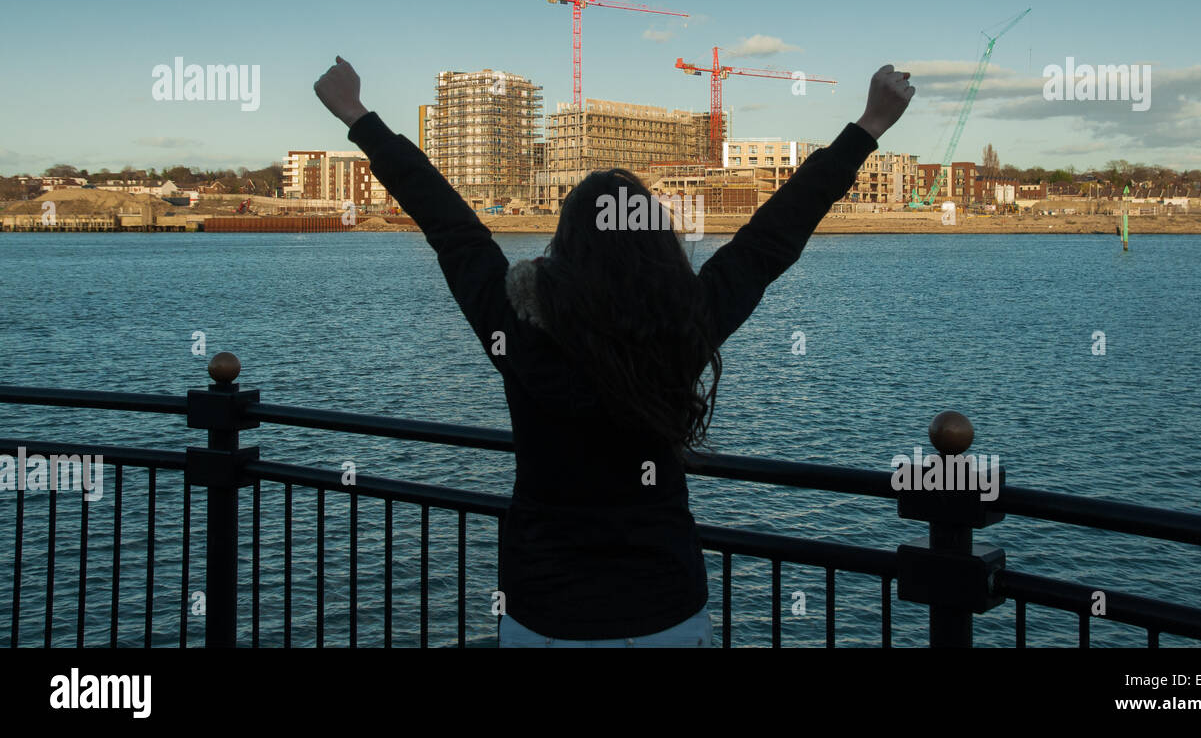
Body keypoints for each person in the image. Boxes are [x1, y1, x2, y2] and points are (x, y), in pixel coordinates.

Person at [314, 57, 913, 647]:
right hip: (665, 608)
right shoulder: (686, 324)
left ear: (564, 243)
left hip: (543, 610)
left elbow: (450, 225)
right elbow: (770, 238)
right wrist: (868, 126)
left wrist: (357, 114)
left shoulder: (516, 325)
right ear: (655, 244)